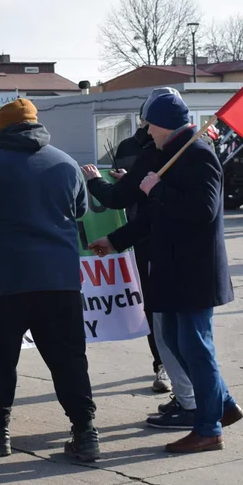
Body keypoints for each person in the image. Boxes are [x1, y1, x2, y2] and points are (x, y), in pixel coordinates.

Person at [89, 90, 243, 454]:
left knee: (196, 348)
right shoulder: (169, 155)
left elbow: (203, 211)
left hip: (193, 272)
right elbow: (155, 218)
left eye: (149, 125)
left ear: (162, 125)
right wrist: (115, 239)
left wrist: (157, 190)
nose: (147, 131)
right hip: (172, 270)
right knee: (174, 342)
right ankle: (223, 405)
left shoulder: (197, 154)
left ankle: (208, 428)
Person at [0, 98, 100, 462]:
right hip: (60, 282)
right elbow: (78, 209)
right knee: (69, 360)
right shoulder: (65, 163)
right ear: (36, 125)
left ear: (0, 129)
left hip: (6, 281)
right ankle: (85, 435)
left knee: (1, 361)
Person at [81, 88, 176, 395]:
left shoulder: (190, 152)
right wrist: (131, 184)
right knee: (155, 309)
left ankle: (193, 392)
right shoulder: (134, 147)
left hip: (174, 248)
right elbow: (134, 197)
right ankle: (166, 367)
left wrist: (97, 182)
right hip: (142, 236)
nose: (149, 128)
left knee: (180, 321)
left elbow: (196, 207)